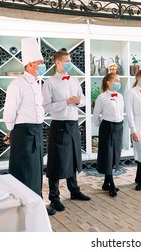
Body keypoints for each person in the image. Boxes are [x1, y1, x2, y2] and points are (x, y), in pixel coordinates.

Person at [3, 37, 56, 216]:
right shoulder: (17, 84)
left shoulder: (36, 83)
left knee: (36, 169)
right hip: (23, 132)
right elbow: (10, 111)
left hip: (36, 130)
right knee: (24, 169)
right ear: (31, 64)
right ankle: (23, 206)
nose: (43, 65)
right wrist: (12, 129)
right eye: (40, 63)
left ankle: (37, 203)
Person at [42, 50, 91, 212]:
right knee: (57, 161)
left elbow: (83, 100)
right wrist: (65, 102)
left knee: (74, 158)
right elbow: (46, 107)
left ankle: (74, 190)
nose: (70, 63)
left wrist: (78, 102)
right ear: (57, 62)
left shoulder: (75, 80)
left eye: (70, 61)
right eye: (66, 61)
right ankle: (54, 197)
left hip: (73, 123)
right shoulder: (49, 83)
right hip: (59, 124)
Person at [92, 73, 123, 197]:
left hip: (119, 126)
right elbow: (96, 115)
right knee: (107, 155)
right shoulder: (102, 97)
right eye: (116, 80)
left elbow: (121, 112)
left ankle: (106, 183)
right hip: (107, 127)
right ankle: (111, 183)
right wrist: (102, 126)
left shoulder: (120, 96)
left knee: (115, 153)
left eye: (119, 80)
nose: (118, 83)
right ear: (109, 82)